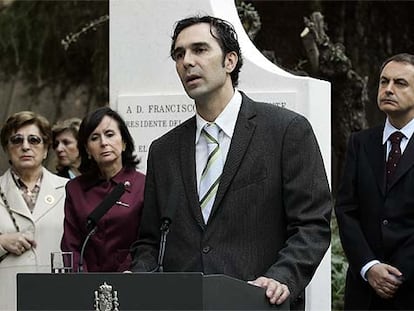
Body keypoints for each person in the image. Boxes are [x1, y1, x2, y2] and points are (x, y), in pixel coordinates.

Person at [130, 15, 332, 310]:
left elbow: (312, 225)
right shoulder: (164, 150)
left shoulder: (286, 130)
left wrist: (281, 277)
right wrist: (137, 277)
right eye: (179, 54)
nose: (187, 61)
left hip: (257, 302)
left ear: (230, 61)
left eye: (200, 50)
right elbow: (149, 241)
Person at [335, 53, 414, 310]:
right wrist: (369, 266)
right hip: (364, 293)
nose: (388, 89)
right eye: (384, 82)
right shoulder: (360, 143)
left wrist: (397, 273)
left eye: (400, 83)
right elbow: (346, 210)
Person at [61, 107, 145, 272]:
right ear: (87, 149)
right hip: (85, 284)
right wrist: (82, 281)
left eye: (110, 134)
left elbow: (147, 241)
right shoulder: (75, 189)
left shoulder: (143, 185)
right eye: (94, 138)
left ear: (124, 142)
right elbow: (71, 245)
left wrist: (129, 273)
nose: (104, 143)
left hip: (131, 279)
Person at [0, 111, 68, 310]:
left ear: (46, 149)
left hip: (58, 297)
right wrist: (2, 242)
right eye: (16, 140)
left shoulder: (69, 190)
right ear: (7, 148)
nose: (25, 146)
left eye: (34, 140)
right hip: (7, 297)